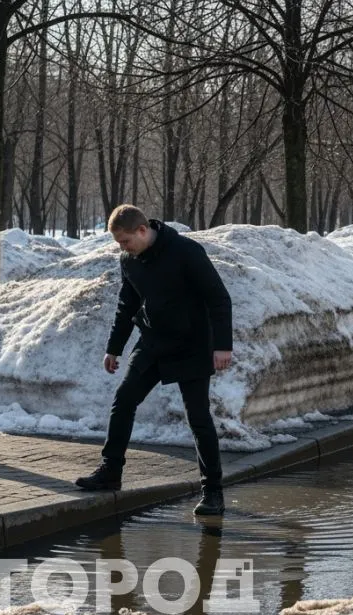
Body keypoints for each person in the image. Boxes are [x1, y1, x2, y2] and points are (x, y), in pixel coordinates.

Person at [75, 204, 234, 515]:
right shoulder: (129, 260)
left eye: (125, 241)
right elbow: (126, 304)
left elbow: (219, 298)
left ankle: (213, 491)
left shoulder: (186, 251)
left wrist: (222, 347)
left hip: (191, 344)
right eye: (119, 244)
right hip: (152, 342)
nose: (122, 248)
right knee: (124, 400)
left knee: (198, 418)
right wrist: (114, 348)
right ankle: (111, 471)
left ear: (143, 230)